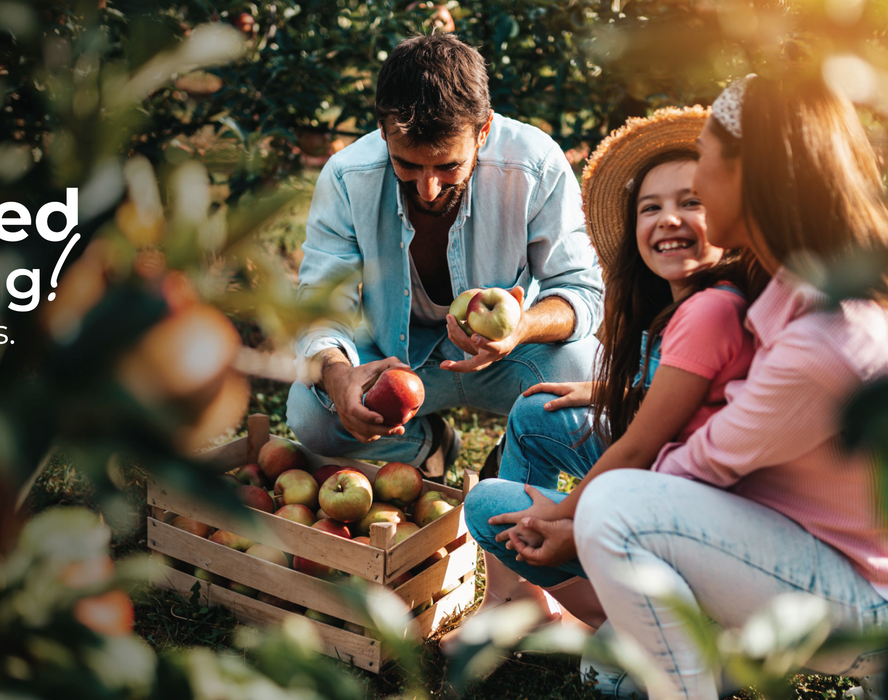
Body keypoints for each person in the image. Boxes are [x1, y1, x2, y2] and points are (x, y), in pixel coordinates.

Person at [493, 74, 888, 699]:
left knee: (615, 506)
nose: (696, 182)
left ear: (751, 177)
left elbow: (693, 464)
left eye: (706, 161)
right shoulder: (786, 288)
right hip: (816, 555)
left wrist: (573, 521)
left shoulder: (820, 336)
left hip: (863, 600)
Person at [460, 106, 767, 627]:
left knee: (489, 505)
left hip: (683, 516)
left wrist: (564, 517)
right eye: (651, 208)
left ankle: (622, 623)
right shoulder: (687, 303)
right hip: (668, 491)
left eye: (691, 201)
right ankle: (521, 600)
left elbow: (643, 447)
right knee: (537, 411)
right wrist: (605, 392)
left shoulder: (710, 311)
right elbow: (686, 404)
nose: (668, 218)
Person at [286, 33, 603, 478]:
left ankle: (515, 454)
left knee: (584, 372)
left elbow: (581, 290)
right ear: (383, 132)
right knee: (309, 413)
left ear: (484, 131)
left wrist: (521, 327)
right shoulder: (347, 176)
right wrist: (339, 379)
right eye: (408, 165)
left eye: (447, 166)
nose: (428, 188)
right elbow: (320, 302)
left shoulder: (535, 165)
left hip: (506, 357)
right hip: (394, 356)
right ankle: (427, 446)